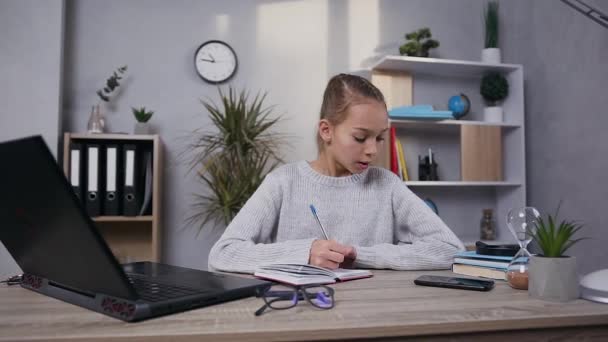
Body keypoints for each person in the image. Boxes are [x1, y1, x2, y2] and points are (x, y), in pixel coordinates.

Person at [208, 73, 464, 273]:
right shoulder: (283, 182)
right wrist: (305, 252)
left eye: (380, 138)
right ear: (326, 130)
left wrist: (361, 255)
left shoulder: (387, 185)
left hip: (371, 316)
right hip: (297, 314)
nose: (372, 150)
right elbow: (223, 254)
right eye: (361, 137)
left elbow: (451, 250)